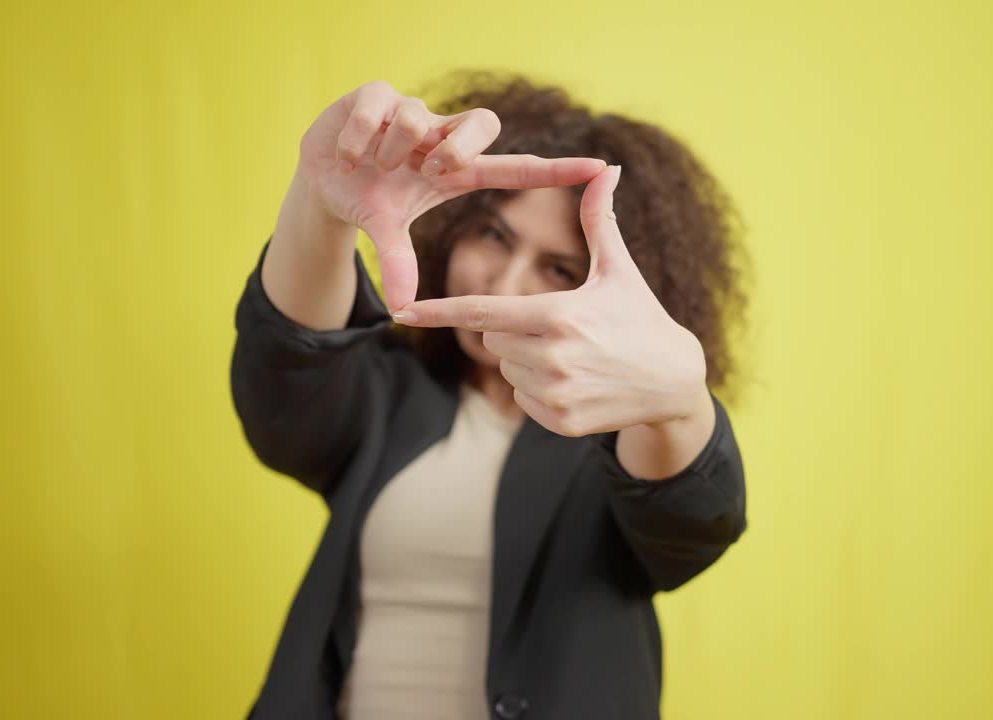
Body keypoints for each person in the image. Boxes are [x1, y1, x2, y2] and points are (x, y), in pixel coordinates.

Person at [230, 72, 751, 720]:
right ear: (453, 226)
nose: (506, 283)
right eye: (494, 237)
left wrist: (680, 396)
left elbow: (693, 526)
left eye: (558, 267)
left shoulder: (622, 438)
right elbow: (287, 384)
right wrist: (320, 201)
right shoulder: (394, 393)